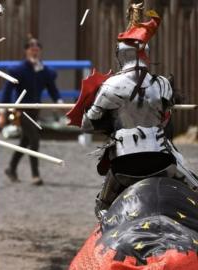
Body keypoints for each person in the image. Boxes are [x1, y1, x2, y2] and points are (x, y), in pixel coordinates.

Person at [72, 6, 198, 219]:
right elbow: (166, 119)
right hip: (163, 162)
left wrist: (108, 117)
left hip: (125, 165)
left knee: (102, 208)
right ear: (146, 54)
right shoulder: (163, 84)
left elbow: (87, 124)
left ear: (120, 55)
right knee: (195, 187)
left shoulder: (111, 86)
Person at [0, 37, 63, 185]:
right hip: (21, 110)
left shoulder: (44, 71)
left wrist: (59, 102)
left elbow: (53, 89)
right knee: (34, 140)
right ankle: (35, 174)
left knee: (25, 141)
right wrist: (2, 113)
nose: (34, 51)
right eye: (31, 49)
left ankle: (11, 168)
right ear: (26, 51)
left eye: (37, 49)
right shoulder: (18, 70)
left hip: (35, 110)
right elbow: (6, 92)